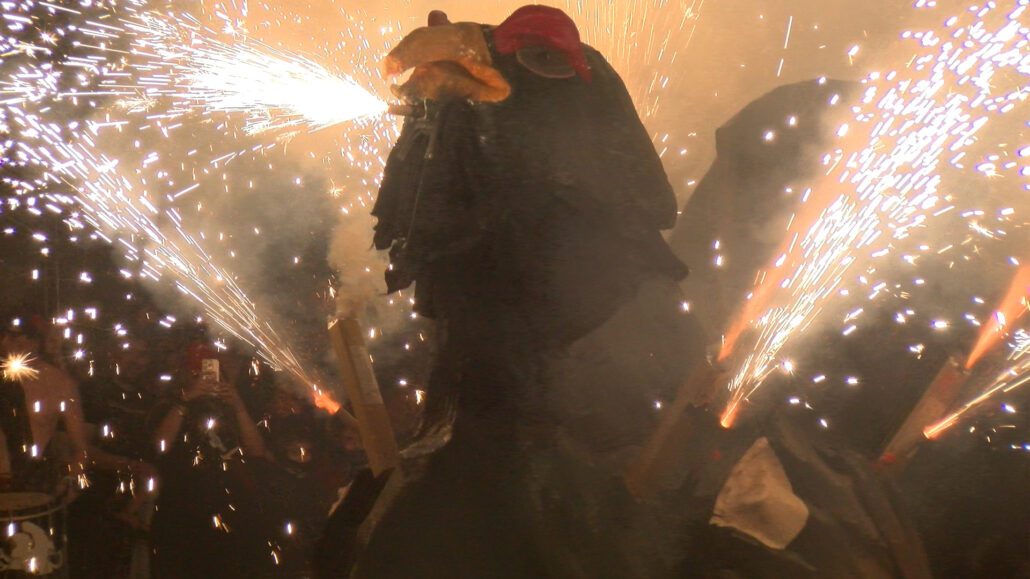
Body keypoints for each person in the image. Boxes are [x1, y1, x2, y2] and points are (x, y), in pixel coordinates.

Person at [148, 354, 296, 578]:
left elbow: (256, 452)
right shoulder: (169, 407)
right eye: (198, 374)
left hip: (227, 512)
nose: (207, 380)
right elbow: (160, 446)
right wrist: (186, 399)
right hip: (179, 510)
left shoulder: (229, 411)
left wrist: (238, 406)